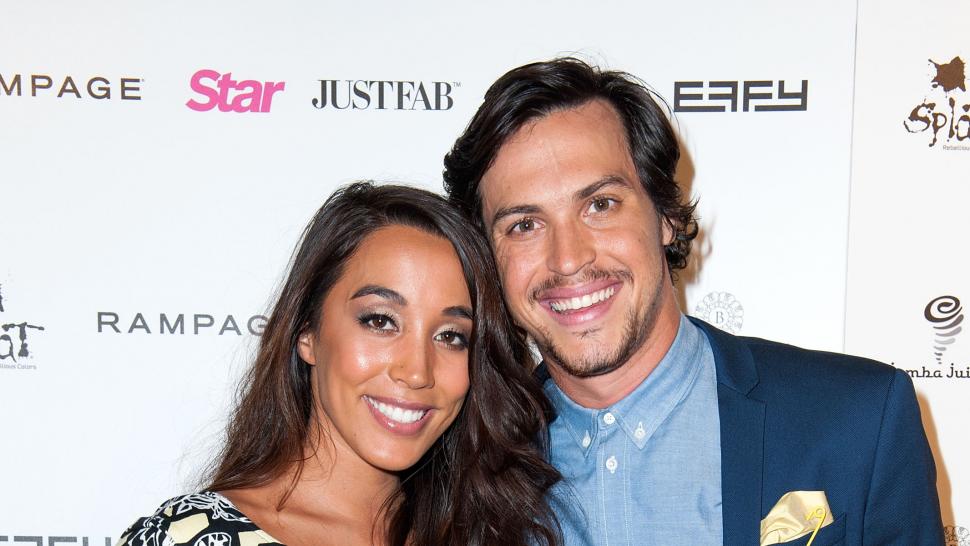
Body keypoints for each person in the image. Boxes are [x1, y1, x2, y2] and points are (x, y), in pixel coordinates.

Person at [443, 57, 944, 545]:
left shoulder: (858, 420)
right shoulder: (459, 470)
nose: (568, 258)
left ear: (665, 216)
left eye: (600, 204)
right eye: (524, 225)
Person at [117, 183, 561, 546]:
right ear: (307, 333)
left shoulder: (491, 534)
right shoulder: (189, 538)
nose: (417, 372)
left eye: (450, 336)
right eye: (381, 321)